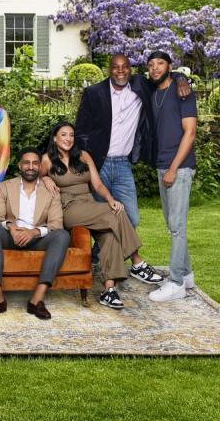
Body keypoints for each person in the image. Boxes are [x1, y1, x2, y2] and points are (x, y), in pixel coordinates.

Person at [41, 121, 164, 309]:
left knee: (110, 232)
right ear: (55, 138)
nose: (68, 139)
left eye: (71, 135)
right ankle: (137, 261)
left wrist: (109, 199)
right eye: (64, 135)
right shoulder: (47, 160)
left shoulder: (82, 156)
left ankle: (108, 290)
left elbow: (97, 185)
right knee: (113, 215)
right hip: (68, 207)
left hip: (89, 204)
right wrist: (45, 178)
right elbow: (33, 177)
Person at [74, 54, 191, 232]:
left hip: (123, 164)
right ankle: (100, 258)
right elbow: (80, 131)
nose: (120, 71)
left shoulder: (140, 85)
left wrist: (181, 78)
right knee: (102, 217)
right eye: (115, 67)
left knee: (132, 218)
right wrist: (87, 162)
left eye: (125, 67)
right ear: (109, 70)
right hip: (99, 164)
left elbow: (161, 76)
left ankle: (105, 257)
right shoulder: (93, 92)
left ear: (131, 69)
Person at [0, 147, 71, 320]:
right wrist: (12, 228)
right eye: (26, 163)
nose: (30, 167)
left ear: (40, 166)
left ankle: (37, 299)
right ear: (20, 165)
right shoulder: (5, 187)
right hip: (10, 236)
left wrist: (34, 232)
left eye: (35, 163)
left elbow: (56, 223)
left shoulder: (51, 191)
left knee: (62, 236)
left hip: (38, 239)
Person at [145, 51, 198, 302]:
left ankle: (176, 283)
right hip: (161, 164)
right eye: (151, 65)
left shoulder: (183, 93)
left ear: (169, 66)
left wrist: (174, 168)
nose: (155, 68)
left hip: (179, 166)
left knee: (177, 226)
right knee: (172, 224)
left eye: (161, 64)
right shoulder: (153, 92)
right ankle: (186, 274)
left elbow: (190, 133)